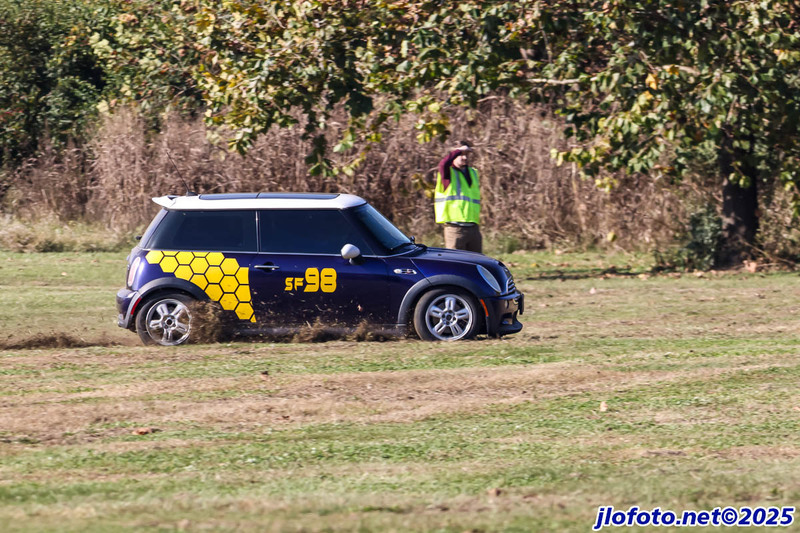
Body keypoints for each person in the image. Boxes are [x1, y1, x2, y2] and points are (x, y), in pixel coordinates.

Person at [434, 141, 482, 253]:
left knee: (478, 263)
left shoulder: (473, 172)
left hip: (473, 228)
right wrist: (458, 150)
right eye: (461, 154)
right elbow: (443, 164)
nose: (464, 157)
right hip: (455, 229)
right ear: (453, 155)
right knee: (456, 264)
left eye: (466, 154)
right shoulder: (447, 173)